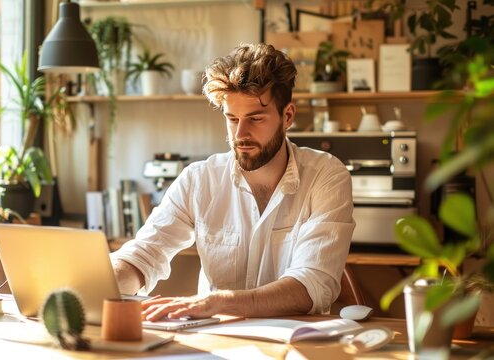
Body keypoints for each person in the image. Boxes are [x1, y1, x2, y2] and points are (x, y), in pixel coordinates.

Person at [111, 43, 355, 321]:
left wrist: (217, 302)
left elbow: (310, 286)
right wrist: (106, 282)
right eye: (232, 118)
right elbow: (144, 254)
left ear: (287, 116)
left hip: (295, 342)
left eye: (256, 118)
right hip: (218, 343)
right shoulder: (199, 179)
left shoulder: (326, 176)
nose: (241, 133)